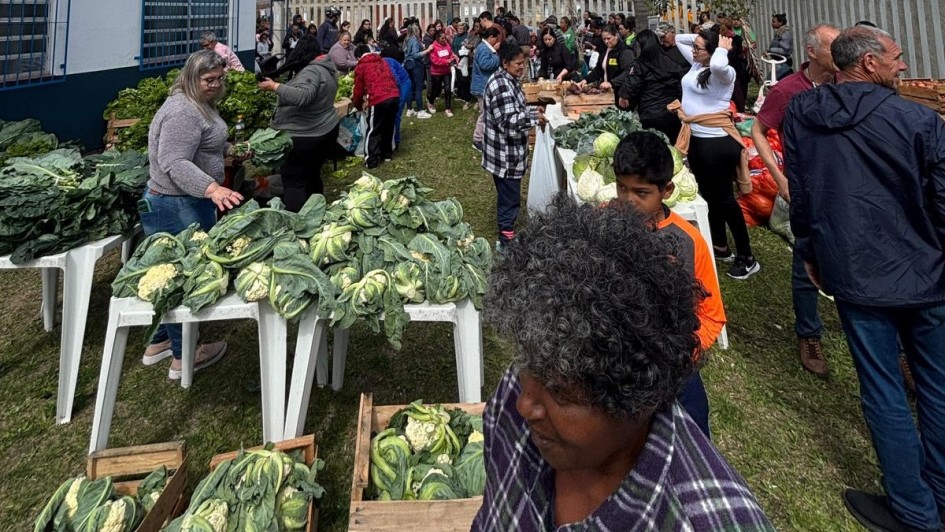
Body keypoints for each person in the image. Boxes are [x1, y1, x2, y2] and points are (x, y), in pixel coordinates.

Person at [471, 194, 773, 531]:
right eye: (527, 364)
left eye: (560, 392)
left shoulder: (703, 520)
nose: (526, 404)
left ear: (639, 397)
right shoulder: (515, 402)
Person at [783, 26, 945, 531]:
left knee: (885, 390)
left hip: (857, 272)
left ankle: (921, 507)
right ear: (870, 63)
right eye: (896, 58)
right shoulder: (919, 119)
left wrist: (811, 250)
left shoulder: (803, 116)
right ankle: (924, 506)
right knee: (930, 387)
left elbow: (803, 194)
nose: (902, 66)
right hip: (924, 273)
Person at [612, 131, 726, 437]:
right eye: (622, 188)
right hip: (614, 358)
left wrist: (683, 352)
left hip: (673, 362)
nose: (628, 200)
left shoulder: (689, 242)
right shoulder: (602, 225)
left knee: (693, 431)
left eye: (641, 192)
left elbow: (711, 314)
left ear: (667, 190)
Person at [142, 50, 243, 379]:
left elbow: (201, 145)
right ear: (191, 78)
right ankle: (184, 356)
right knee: (181, 277)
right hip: (175, 203)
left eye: (219, 79)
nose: (215, 85)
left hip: (182, 200)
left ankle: (159, 342)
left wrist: (228, 150)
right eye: (208, 80)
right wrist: (212, 189)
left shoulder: (197, 103)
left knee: (169, 274)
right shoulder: (183, 111)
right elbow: (175, 162)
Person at [750, 24, 839, 378]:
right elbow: (758, 129)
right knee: (806, 260)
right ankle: (809, 333)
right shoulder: (788, 90)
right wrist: (780, 177)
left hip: (845, 188)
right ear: (812, 52)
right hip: (807, 190)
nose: (841, 55)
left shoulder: (846, 86)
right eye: (834, 48)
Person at [671, 29, 757, 280]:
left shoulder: (724, 73)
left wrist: (721, 47)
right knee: (708, 196)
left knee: (725, 200)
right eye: (695, 47)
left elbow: (719, 62)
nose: (694, 50)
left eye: (699, 48)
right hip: (697, 140)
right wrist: (703, 35)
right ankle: (720, 245)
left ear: (712, 52)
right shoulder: (697, 65)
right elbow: (678, 39)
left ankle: (747, 257)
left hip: (717, 143)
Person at [257, 50, 339, 212]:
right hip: (323, 130)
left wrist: (275, 86)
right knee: (311, 175)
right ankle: (316, 212)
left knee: (295, 181)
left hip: (305, 136)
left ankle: (297, 223)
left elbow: (302, 96)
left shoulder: (312, 71)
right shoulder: (327, 68)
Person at [481, 44, 545, 249]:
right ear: (505, 63)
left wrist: (533, 109)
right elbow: (508, 122)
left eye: (523, 62)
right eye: (518, 64)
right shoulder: (500, 85)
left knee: (508, 194)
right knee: (510, 198)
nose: (522, 67)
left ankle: (506, 233)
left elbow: (516, 108)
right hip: (504, 154)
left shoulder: (510, 80)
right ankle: (506, 240)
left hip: (508, 153)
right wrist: (534, 116)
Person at [617, 30, 684, 141]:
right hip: (672, 113)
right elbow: (680, 87)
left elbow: (632, 83)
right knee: (673, 151)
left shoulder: (641, 63)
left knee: (654, 150)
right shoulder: (670, 61)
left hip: (650, 114)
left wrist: (623, 94)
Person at [351, 44, 399, 169]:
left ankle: (371, 160)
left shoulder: (360, 66)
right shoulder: (382, 61)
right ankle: (386, 154)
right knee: (388, 126)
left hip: (378, 99)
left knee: (373, 129)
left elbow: (358, 90)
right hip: (393, 95)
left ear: (358, 57)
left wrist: (358, 105)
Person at [578, 25, 634, 107]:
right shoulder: (605, 51)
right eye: (604, 39)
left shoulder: (625, 51)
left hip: (622, 94)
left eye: (609, 38)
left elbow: (628, 72)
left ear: (616, 36)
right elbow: (598, 70)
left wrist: (611, 83)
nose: (606, 41)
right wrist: (585, 80)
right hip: (607, 94)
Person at [471, 26, 502, 151]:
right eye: (496, 39)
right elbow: (485, 65)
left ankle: (485, 138)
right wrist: (496, 56)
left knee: (487, 113)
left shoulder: (483, 47)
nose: (497, 42)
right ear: (491, 38)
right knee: (485, 114)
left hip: (484, 84)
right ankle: (477, 140)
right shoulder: (484, 49)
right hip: (482, 86)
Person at [380, 47, 411, 150]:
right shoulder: (382, 62)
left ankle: (396, 140)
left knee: (396, 112)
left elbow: (396, 80)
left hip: (403, 84)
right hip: (398, 84)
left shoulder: (386, 62)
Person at [403, 25, 433, 119]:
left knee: (410, 88)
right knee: (418, 88)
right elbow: (416, 55)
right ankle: (420, 110)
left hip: (407, 65)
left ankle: (409, 109)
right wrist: (428, 50)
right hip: (416, 65)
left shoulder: (407, 40)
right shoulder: (415, 41)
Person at [428, 29, 459, 117]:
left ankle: (448, 108)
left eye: (445, 38)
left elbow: (450, 53)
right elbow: (434, 60)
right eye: (442, 38)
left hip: (446, 71)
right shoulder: (433, 47)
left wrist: (453, 57)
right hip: (436, 72)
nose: (444, 40)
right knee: (436, 90)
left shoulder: (447, 45)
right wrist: (446, 61)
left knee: (448, 89)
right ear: (437, 38)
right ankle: (430, 101)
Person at [768, 13, 793, 79]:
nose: (772, 23)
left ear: (780, 22)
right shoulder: (779, 32)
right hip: (779, 62)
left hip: (783, 62)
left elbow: (784, 50)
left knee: (771, 79)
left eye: (774, 21)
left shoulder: (785, 33)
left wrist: (770, 50)